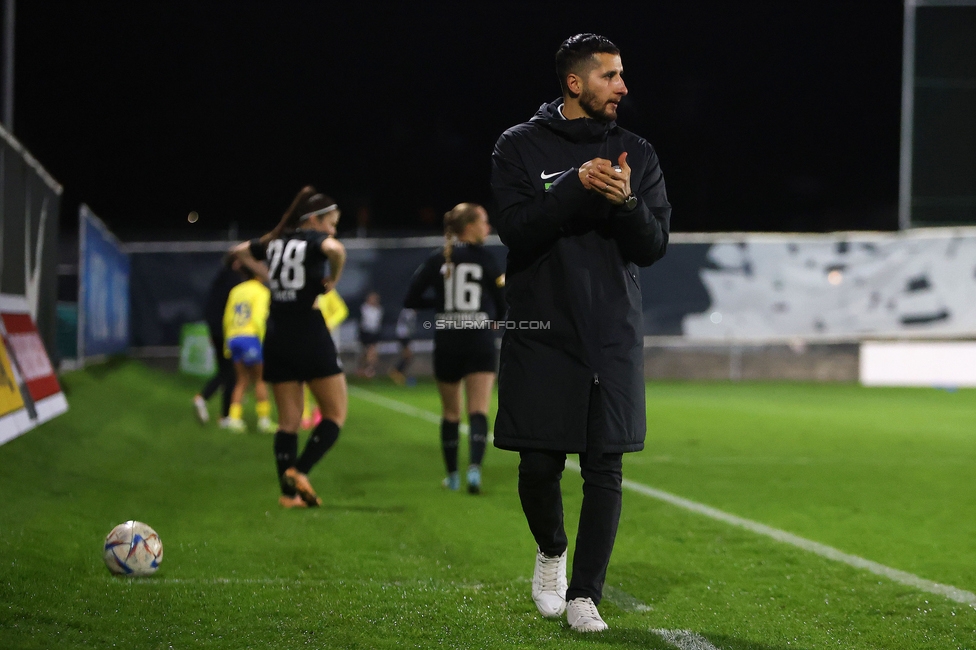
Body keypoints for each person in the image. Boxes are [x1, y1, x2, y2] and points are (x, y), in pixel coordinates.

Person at [490, 34, 671, 632]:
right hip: (541, 331)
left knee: (605, 468)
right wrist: (575, 185)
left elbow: (653, 246)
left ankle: (585, 594)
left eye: (622, 75)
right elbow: (517, 230)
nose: (623, 86)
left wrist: (626, 204)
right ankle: (551, 552)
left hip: (610, 335)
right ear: (575, 83)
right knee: (538, 464)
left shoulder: (637, 153)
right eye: (610, 76)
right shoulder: (518, 146)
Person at [232, 186, 348, 509]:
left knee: (288, 422)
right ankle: (300, 471)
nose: (333, 229)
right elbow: (336, 251)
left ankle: (287, 495)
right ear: (314, 220)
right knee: (336, 414)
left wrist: (269, 278)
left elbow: (241, 251)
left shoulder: (276, 242)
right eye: (331, 223)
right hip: (309, 331)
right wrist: (333, 280)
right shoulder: (312, 240)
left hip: (277, 333)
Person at [404, 203, 505, 494]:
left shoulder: (439, 258)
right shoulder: (486, 259)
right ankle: (474, 470)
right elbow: (502, 305)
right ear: (470, 226)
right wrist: (489, 314)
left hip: (447, 341)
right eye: (484, 222)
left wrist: (441, 306)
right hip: (479, 341)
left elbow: (411, 298)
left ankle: (452, 475)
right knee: (478, 410)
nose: (488, 228)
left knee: (450, 412)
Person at [222, 265, 274, 433]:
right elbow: (259, 318)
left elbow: (227, 317)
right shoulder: (261, 291)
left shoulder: (236, 290)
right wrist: (266, 340)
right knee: (260, 379)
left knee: (241, 380)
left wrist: (227, 343)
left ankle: (234, 418)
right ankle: (264, 420)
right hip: (251, 337)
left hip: (234, 337)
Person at [193, 255, 244, 426]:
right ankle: (224, 415)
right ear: (237, 263)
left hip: (215, 329)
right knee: (230, 372)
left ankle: (206, 401)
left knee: (225, 371)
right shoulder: (235, 281)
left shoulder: (220, 278)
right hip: (226, 330)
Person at [387, 308, 417, 386]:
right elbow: (407, 324)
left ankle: (397, 372)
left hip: (404, 335)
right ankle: (396, 371)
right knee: (408, 355)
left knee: (407, 356)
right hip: (403, 335)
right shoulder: (409, 312)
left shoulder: (408, 311)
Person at [356, 291, 383, 378]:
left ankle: (370, 370)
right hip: (365, 333)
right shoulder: (364, 308)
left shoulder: (379, 309)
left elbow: (377, 323)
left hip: (374, 333)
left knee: (372, 352)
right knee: (365, 353)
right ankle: (362, 369)